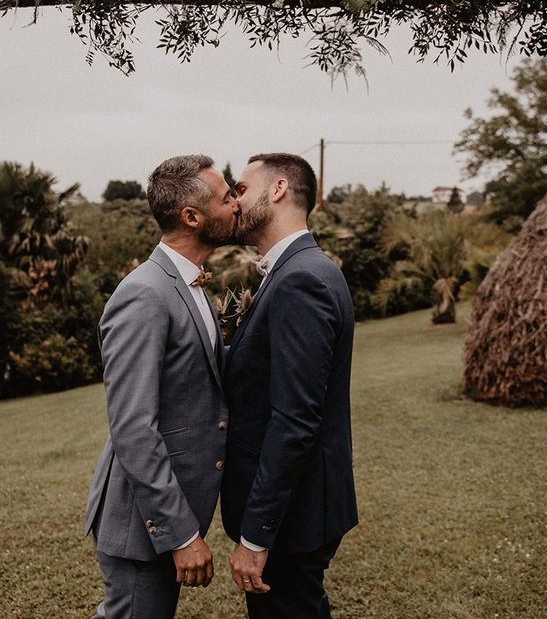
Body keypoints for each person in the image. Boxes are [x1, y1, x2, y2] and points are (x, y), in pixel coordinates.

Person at [84, 155, 238, 619]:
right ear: (192, 217)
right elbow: (133, 427)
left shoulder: (190, 285)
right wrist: (181, 534)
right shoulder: (145, 293)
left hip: (161, 519)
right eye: (227, 196)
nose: (237, 203)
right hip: (141, 524)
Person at [222, 153, 358, 619]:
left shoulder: (301, 280)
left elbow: (295, 419)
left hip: (292, 517)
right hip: (301, 508)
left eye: (240, 188)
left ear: (277, 189)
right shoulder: (300, 270)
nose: (234, 202)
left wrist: (258, 534)